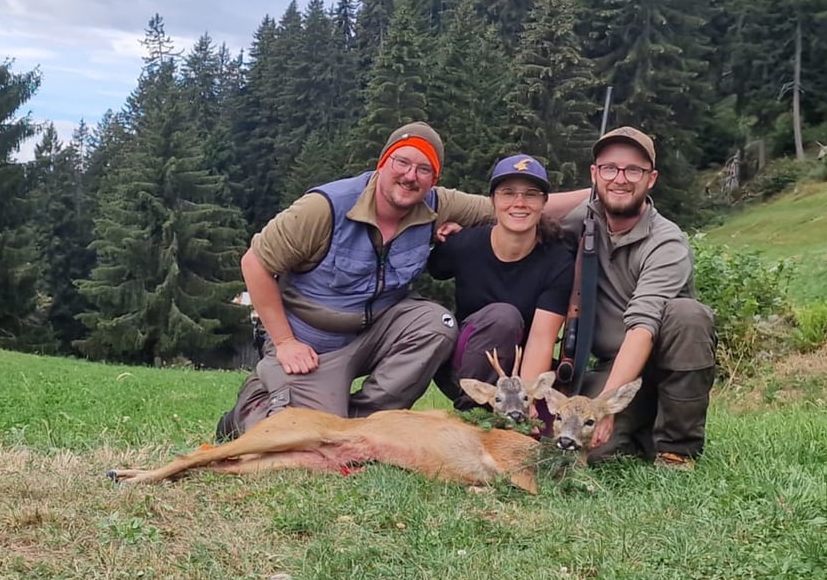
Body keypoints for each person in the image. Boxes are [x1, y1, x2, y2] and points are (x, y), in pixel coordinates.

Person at [216, 123, 587, 440]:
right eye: (402, 162)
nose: (411, 176)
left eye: (423, 169)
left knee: (435, 323)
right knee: (301, 434)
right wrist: (284, 342)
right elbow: (255, 263)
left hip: (376, 330)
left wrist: (602, 188)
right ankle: (246, 412)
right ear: (382, 164)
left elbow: (518, 206)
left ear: (433, 180)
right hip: (312, 343)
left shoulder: (437, 204)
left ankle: (367, 425)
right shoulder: (326, 206)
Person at [558, 126, 716, 470]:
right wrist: (453, 221)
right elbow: (525, 210)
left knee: (689, 315)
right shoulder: (582, 221)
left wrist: (603, 408)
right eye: (610, 168)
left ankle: (677, 449)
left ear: (651, 179)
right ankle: (643, 432)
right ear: (594, 174)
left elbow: (642, 328)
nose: (621, 179)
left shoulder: (667, 243)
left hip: (660, 368)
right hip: (610, 367)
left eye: (633, 170)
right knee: (586, 452)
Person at [428, 154, 573, 414]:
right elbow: (426, 266)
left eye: (531, 194)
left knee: (548, 430)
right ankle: (473, 415)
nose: (519, 203)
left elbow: (542, 338)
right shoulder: (464, 245)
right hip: (462, 368)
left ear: (544, 203)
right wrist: (437, 231)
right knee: (503, 316)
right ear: (493, 201)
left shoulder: (558, 261)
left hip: (520, 371)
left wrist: (527, 405)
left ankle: (510, 412)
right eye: (508, 193)